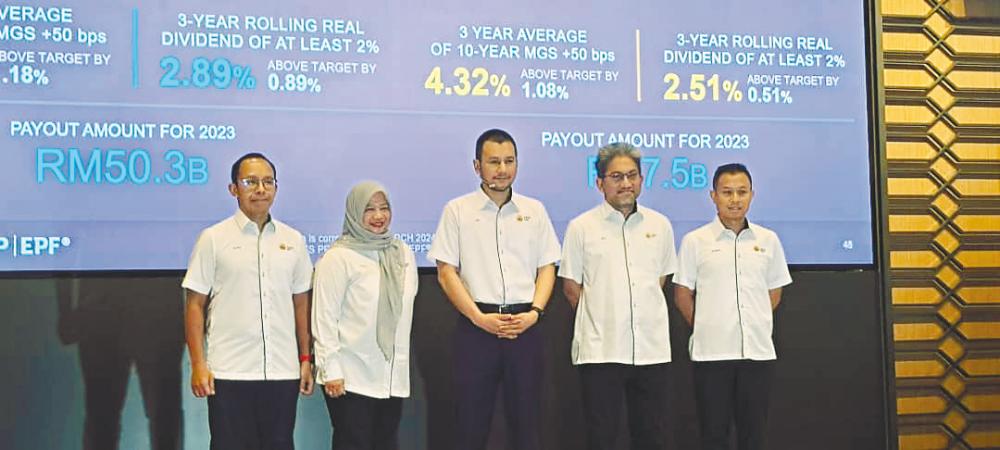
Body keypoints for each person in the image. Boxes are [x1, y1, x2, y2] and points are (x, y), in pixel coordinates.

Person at [428, 128, 560, 450]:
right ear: (477, 167)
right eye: (494, 162)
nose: (502, 169)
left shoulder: (535, 210)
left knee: (527, 424)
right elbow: (446, 272)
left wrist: (535, 313)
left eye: (509, 161)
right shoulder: (457, 210)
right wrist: (477, 317)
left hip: (524, 328)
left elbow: (547, 267)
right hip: (477, 328)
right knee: (470, 424)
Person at [182, 152, 314, 450]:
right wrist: (198, 364)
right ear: (233, 189)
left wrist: (305, 359)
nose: (261, 189)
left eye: (268, 182)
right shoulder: (213, 238)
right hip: (230, 371)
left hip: (282, 370)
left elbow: (301, 303)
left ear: (276, 188)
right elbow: (194, 305)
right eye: (250, 182)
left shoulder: (294, 240)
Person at [559, 142, 678, 450]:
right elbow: (572, 288)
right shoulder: (581, 227)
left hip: (651, 350)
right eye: (616, 177)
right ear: (600, 183)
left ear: (641, 179)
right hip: (601, 351)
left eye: (632, 175)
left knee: (650, 436)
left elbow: (661, 279)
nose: (626, 183)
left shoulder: (660, 225)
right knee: (602, 437)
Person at [673, 163, 792, 450]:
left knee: (754, 435)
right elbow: (682, 294)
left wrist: (754, 321)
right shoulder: (695, 241)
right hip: (712, 355)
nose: (735, 199)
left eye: (742, 192)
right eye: (727, 192)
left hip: (757, 354)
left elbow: (774, 291)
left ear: (752, 195)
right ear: (713, 196)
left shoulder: (768, 240)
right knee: (714, 434)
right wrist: (706, 325)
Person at [312, 181, 418, 450]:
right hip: (350, 374)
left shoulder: (400, 252)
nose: (378, 216)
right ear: (354, 213)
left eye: (384, 208)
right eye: (369, 209)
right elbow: (324, 318)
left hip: (390, 375)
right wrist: (331, 369)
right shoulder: (338, 258)